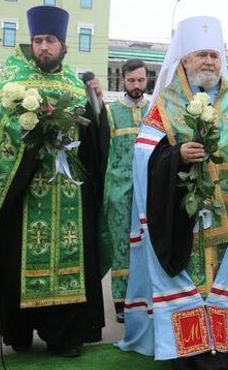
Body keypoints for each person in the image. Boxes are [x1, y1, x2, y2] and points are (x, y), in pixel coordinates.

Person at [117, 16, 228, 369]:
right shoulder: (165, 103)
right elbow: (144, 155)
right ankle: (190, 348)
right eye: (201, 54)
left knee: (224, 277)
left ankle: (224, 341)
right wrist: (176, 155)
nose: (209, 62)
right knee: (194, 276)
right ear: (184, 59)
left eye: (214, 55)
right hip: (183, 216)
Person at [0, 5, 108, 357]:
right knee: (15, 260)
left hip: (68, 190)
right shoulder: (12, 81)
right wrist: (30, 131)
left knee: (71, 258)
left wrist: (97, 109)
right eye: (39, 40)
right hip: (23, 191)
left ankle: (65, 334)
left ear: (63, 46)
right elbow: (0, 127)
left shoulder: (75, 84)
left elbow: (93, 139)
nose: (44, 47)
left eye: (51, 40)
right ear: (32, 43)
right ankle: (20, 331)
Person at [99, 58, 149, 324]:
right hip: (120, 189)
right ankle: (121, 300)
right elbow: (105, 153)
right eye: (131, 80)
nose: (136, 85)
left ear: (147, 79)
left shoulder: (155, 109)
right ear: (123, 80)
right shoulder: (111, 111)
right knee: (121, 245)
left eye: (141, 80)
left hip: (149, 188)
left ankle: (145, 295)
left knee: (147, 243)